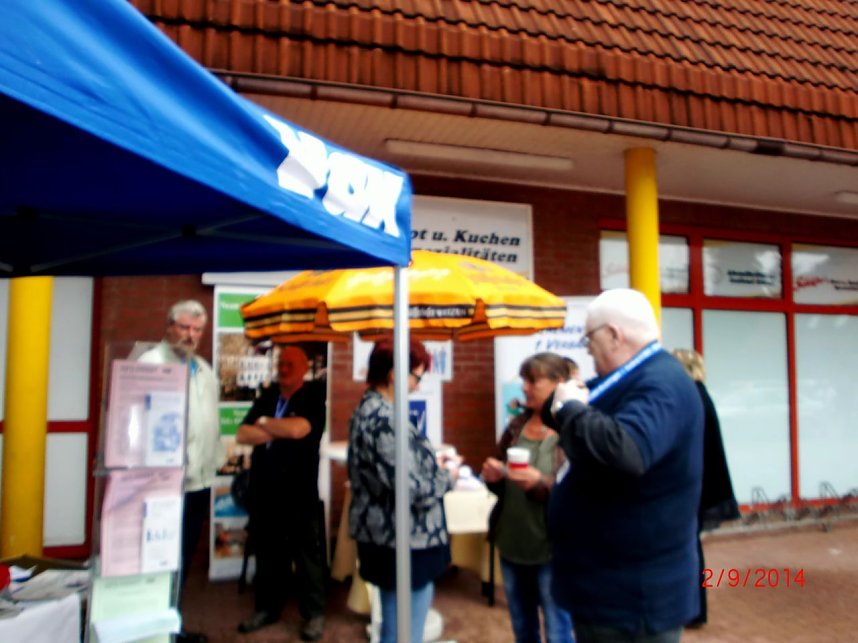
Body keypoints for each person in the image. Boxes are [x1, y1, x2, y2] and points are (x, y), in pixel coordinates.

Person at [542, 288, 704, 643]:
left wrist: (571, 410)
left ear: (614, 335)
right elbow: (562, 407)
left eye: (590, 339)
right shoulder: (633, 377)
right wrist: (562, 405)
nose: (587, 349)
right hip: (607, 587)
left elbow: (626, 451)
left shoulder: (662, 384)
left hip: (634, 601)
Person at [348, 336, 457, 643]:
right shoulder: (385, 419)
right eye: (416, 376)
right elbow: (413, 490)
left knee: (394, 626)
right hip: (405, 540)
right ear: (395, 374)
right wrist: (448, 475)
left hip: (389, 537)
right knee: (404, 633)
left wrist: (430, 463)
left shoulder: (370, 410)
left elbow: (393, 471)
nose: (418, 385)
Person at [138, 300, 222, 643]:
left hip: (198, 481)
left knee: (182, 557)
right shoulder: (150, 364)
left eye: (197, 330)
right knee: (159, 559)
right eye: (185, 327)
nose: (190, 335)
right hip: (163, 484)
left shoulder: (202, 368)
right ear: (169, 326)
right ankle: (154, 629)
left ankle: (172, 625)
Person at [481, 352, 575, 643]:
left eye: (533, 381)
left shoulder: (573, 429)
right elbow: (502, 482)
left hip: (552, 549)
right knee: (523, 628)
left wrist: (542, 484)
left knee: (558, 631)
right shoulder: (515, 426)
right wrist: (493, 477)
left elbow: (581, 493)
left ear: (558, 383)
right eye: (524, 380)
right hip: (512, 543)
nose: (524, 387)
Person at [235, 346, 328, 641]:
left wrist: (264, 424)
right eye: (280, 363)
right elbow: (242, 434)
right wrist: (276, 428)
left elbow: (299, 430)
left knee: (307, 557)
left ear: (303, 368)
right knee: (268, 555)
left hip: (299, 492)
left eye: (290, 364)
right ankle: (267, 609)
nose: (283, 368)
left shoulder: (313, 397)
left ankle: (314, 615)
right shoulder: (268, 395)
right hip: (265, 490)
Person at [672, 349, 740, 628]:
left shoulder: (692, 397)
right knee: (691, 546)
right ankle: (693, 608)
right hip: (700, 485)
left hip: (693, 487)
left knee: (688, 548)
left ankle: (693, 609)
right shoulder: (700, 394)